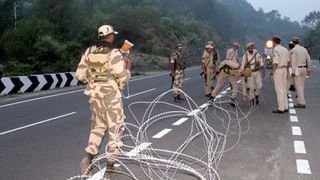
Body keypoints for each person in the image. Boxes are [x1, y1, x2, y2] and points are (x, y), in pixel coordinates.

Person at [76, 25, 131, 175]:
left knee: (98, 127)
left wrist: (93, 78)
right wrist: (128, 70)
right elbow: (122, 75)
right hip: (111, 97)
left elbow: (80, 75)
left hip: (94, 97)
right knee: (116, 129)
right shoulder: (114, 53)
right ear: (111, 36)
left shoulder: (89, 51)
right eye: (113, 35)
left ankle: (88, 158)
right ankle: (111, 165)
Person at [291, 37, 312, 108]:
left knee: (298, 86)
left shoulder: (293, 50)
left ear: (293, 42)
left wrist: (293, 72)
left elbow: (293, 62)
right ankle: (300, 100)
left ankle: (301, 103)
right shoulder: (304, 49)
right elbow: (309, 60)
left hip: (297, 69)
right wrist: (309, 69)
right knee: (301, 85)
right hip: (304, 68)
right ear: (298, 42)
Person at [270, 36, 289, 113]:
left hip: (278, 69)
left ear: (274, 42)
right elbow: (288, 62)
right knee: (284, 89)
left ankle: (281, 108)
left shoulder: (275, 50)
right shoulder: (285, 49)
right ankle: (285, 106)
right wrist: (287, 72)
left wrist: (272, 72)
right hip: (284, 69)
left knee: (279, 89)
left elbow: (275, 63)